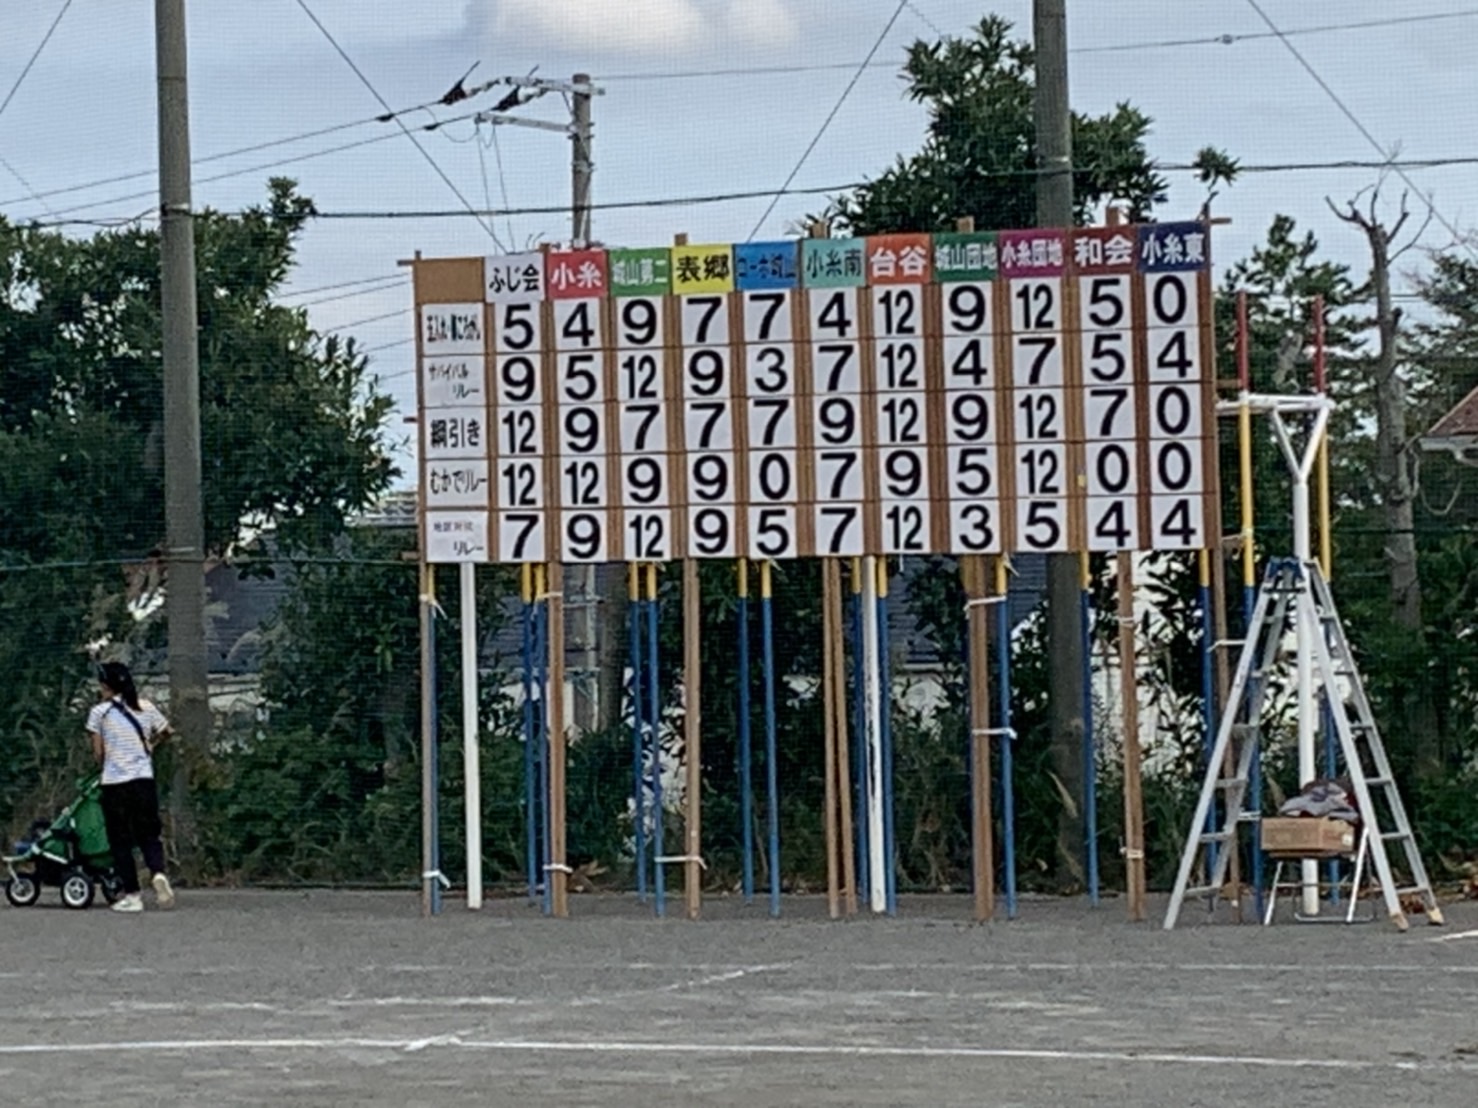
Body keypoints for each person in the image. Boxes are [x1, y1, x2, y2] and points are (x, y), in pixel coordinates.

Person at [87, 662, 175, 913]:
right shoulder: (145, 707)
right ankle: (158, 872)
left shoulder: (99, 713)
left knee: (120, 840)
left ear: (106, 686)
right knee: (149, 834)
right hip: (143, 781)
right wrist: (150, 744)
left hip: (115, 784)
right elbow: (167, 730)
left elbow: (98, 753)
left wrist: (105, 762)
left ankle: (133, 895)